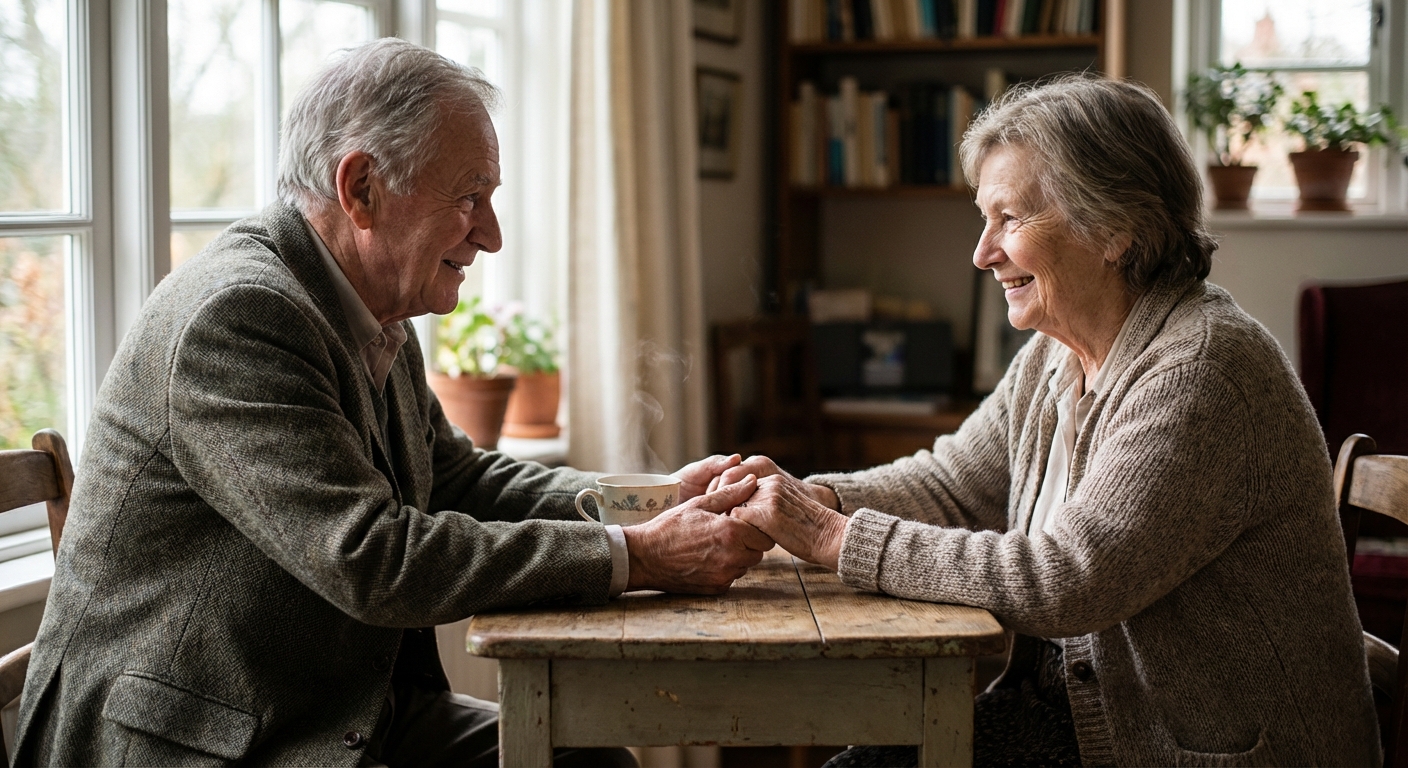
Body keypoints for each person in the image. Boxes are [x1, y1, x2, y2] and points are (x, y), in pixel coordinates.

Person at [14, 39, 772, 767]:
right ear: (361, 189)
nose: (491, 236)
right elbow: (371, 558)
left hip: (314, 710)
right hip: (194, 738)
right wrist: (640, 555)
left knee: (585, 761)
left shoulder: (369, 305)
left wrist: (653, 501)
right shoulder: (240, 316)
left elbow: (457, 478)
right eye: (469, 197)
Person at [720, 76, 1380, 767]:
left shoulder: (1202, 371)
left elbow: (1067, 580)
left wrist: (828, 535)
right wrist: (809, 498)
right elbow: (952, 485)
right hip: (1070, 721)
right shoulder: (1055, 354)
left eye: (1009, 219)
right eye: (985, 219)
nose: (982, 253)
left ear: (1115, 229)